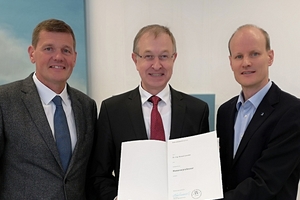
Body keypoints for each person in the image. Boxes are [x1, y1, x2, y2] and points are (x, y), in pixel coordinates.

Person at [90, 24, 210, 200]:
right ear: (135, 59)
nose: (156, 65)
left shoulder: (197, 111)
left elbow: (202, 172)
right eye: (148, 56)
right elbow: (99, 175)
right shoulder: (112, 110)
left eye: (164, 56)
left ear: (174, 58)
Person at [0, 19, 97, 199]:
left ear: (74, 57)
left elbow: (89, 174)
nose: (58, 57)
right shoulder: (5, 100)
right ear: (32, 54)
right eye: (49, 48)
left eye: (65, 50)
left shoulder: (86, 106)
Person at [217, 24, 300, 199]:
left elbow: (266, 183)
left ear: (270, 57)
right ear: (231, 62)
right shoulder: (224, 112)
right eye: (239, 56)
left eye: (254, 54)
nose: (246, 62)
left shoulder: (292, 112)